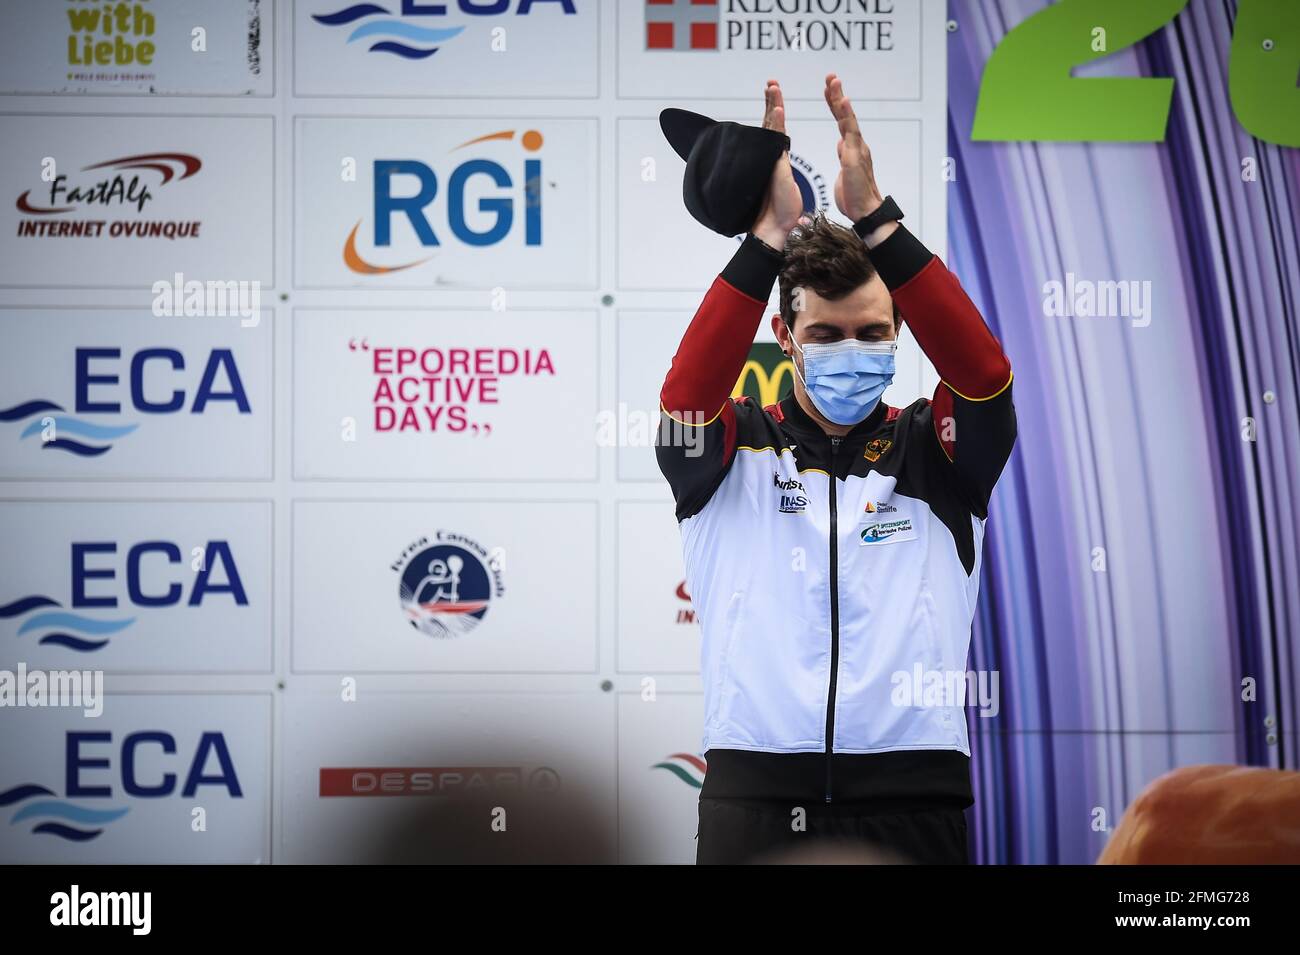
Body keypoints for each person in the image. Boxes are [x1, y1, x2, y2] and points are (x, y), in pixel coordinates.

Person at [655, 74, 1016, 865]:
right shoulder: (728, 448)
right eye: (825, 336)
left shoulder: (939, 450)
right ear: (785, 340)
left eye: (874, 334)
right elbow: (685, 400)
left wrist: (879, 222)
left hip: (915, 806)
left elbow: (985, 374)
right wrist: (767, 242)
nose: (853, 354)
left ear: (899, 335)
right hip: (750, 805)